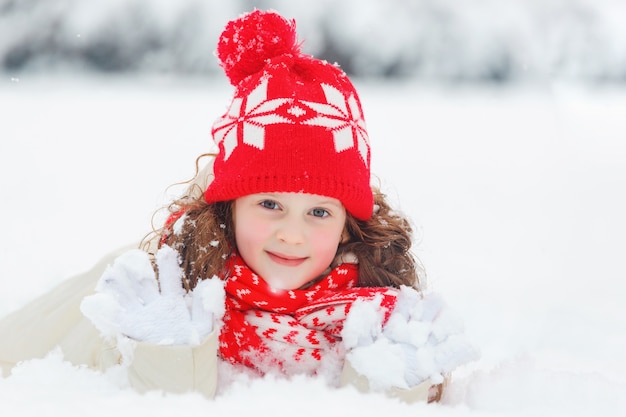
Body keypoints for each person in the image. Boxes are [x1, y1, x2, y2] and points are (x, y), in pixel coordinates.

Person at [0, 10, 476, 402]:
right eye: (270, 203)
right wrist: (164, 361)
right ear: (228, 208)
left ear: (350, 225)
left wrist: (391, 387)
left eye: (319, 212)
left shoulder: (383, 319)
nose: (292, 233)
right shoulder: (149, 292)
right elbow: (31, 375)